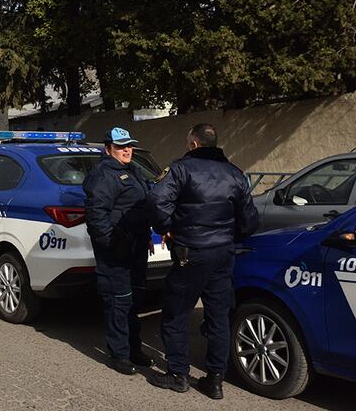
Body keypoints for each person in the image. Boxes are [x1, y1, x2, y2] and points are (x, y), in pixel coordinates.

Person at [147, 123, 259, 398]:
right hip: (223, 254)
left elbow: (156, 201)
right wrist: (231, 235)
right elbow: (250, 220)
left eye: (188, 143)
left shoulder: (181, 169)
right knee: (218, 316)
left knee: (175, 313)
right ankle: (215, 379)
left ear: (194, 144)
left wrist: (168, 228)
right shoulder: (235, 174)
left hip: (191, 252)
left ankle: (178, 374)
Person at [82, 127, 154, 376]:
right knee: (118, 301)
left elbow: (141, 205)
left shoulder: (131, 169)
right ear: (108, 148)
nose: (127, 149)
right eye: (121, 146)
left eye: (130, 145)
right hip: (116, 250)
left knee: (134, 299)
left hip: (136, 246)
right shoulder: (103, 174)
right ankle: (119, 354)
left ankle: (134, 348)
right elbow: (96, 214)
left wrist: (146, 236)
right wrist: (111, 242)